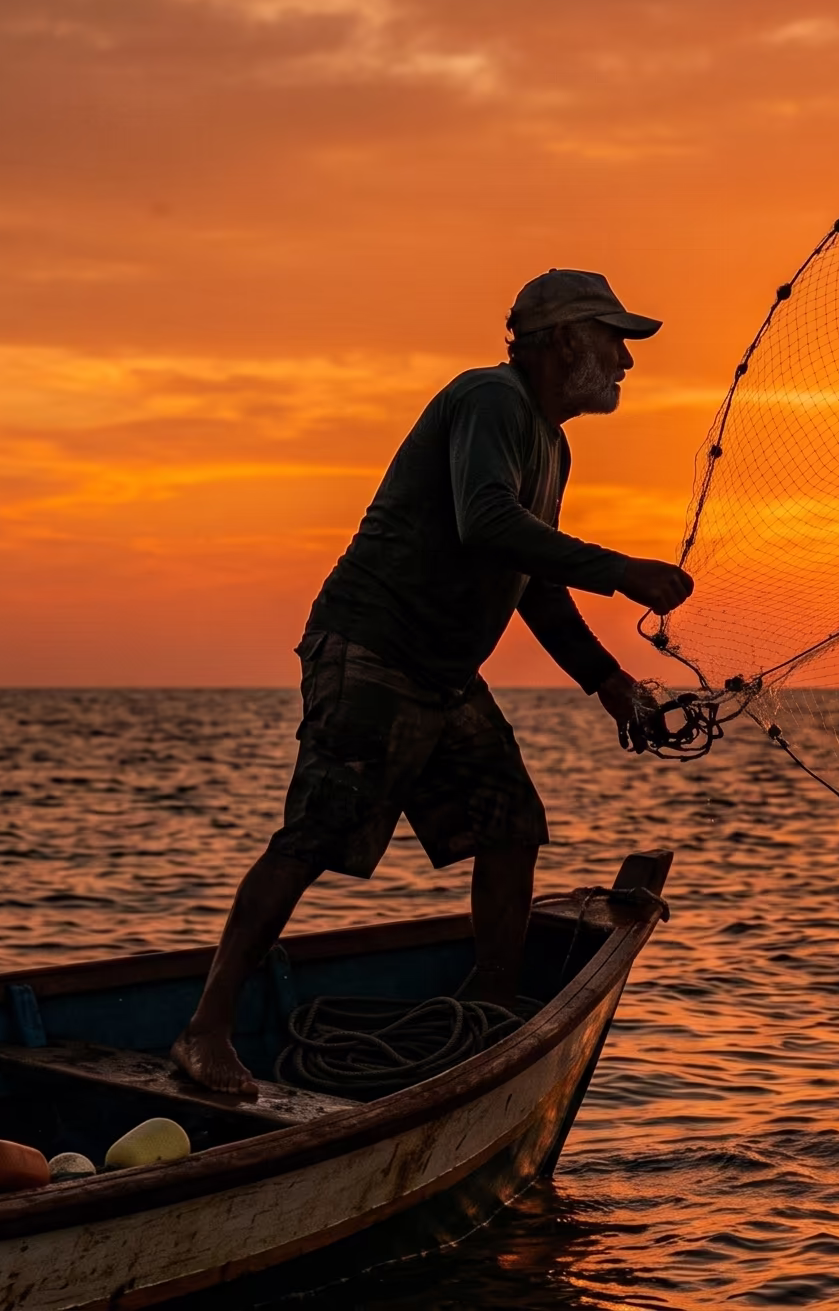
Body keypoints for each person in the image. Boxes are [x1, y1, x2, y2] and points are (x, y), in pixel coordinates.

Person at [170, 268, 692, 1096]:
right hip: (373, 650)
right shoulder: (490, 399)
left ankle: (490, 1012)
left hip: (443, 673)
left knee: (511, 827)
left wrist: (609, 682)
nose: (626, 362)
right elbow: (486, 522)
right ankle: (205, 1033)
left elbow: (532, 581)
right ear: (565, 341)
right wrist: (620, 570)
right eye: (614, 340)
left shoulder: (551, 445)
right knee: (314, 837)